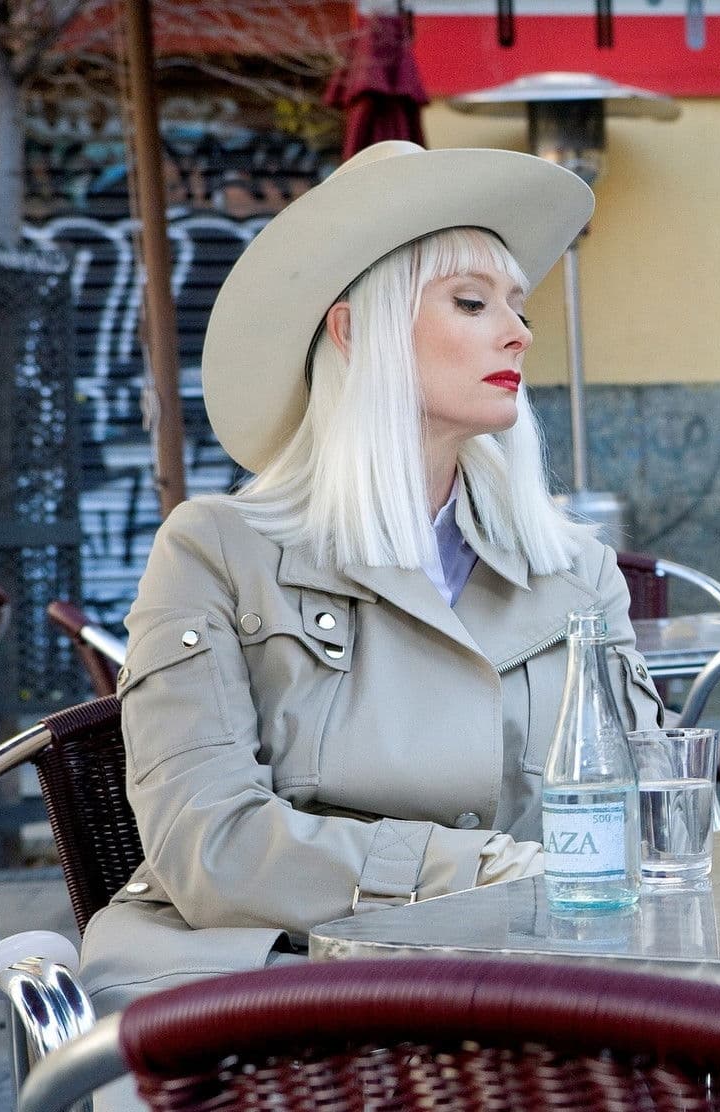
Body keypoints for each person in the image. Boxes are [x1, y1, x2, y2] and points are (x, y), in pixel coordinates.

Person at [79, 140, 665, 1014]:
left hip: (535, 990)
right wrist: (483, 871)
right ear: (354, 331)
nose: (519, 332)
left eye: (519, 306)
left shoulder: (577, 569)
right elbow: (208, 844)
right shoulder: (216, 550)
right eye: (472, 302)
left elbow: (653, 810)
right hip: (280, 996)